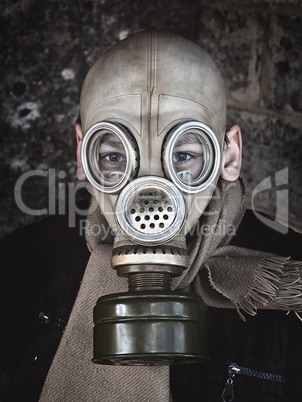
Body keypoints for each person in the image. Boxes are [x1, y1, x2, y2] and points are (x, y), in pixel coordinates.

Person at [1, 30, 302, 402]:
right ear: (83, 154)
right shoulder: (33, 258)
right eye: (115, 157)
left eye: (181, 156)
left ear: (228, 155)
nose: (148, 195)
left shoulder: (289, 276)